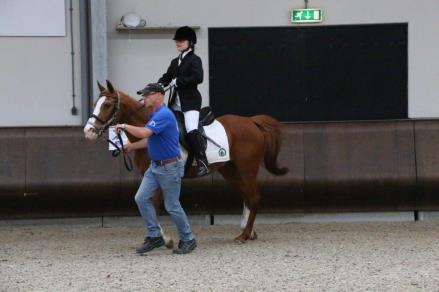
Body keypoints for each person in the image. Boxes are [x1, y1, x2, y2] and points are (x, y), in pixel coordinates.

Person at [114, 83, 196, 255]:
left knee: (172, 205)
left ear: (159, 95)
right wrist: (131, 147)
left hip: (169, 167)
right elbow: (149, 139)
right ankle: (154, 235)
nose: (144, 98)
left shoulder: (164, 114)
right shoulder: (155, 114)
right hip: (156, 166)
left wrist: (125, 126)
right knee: (141, 198)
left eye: (147, 95)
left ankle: (188, 238)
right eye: (143, 95)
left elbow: (145, 133)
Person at [158, 25, 208, 176]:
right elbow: (166, 77)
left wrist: (179, 81)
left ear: (190, 42)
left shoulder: (195, 60)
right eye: (177, 41)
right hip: (175, 104)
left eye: (181, 40)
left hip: (190, 103)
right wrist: (157, 85)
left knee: (191, 128)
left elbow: (199, 78)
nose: (178, 43)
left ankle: (202, 161)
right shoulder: (175, 61)